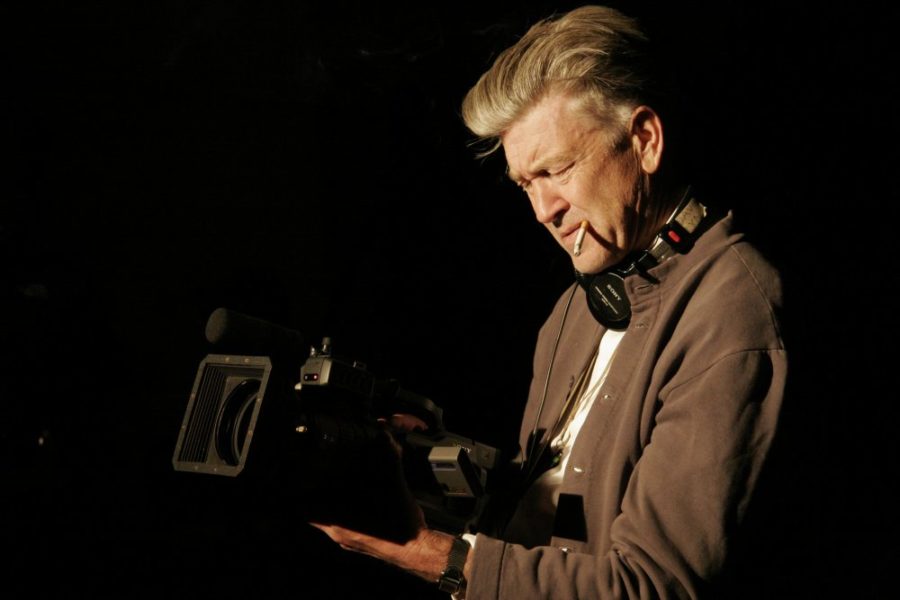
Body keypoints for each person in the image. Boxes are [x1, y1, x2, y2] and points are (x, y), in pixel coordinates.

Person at [311, 5, 787, 598]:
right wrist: (428, 461)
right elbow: (554, 516)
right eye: (525, 184)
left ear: (644, 141)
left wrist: (425, 553)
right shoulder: (577, 307)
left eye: (558, 169)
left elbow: (648, 586)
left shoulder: (731, 315)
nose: (543, 211)